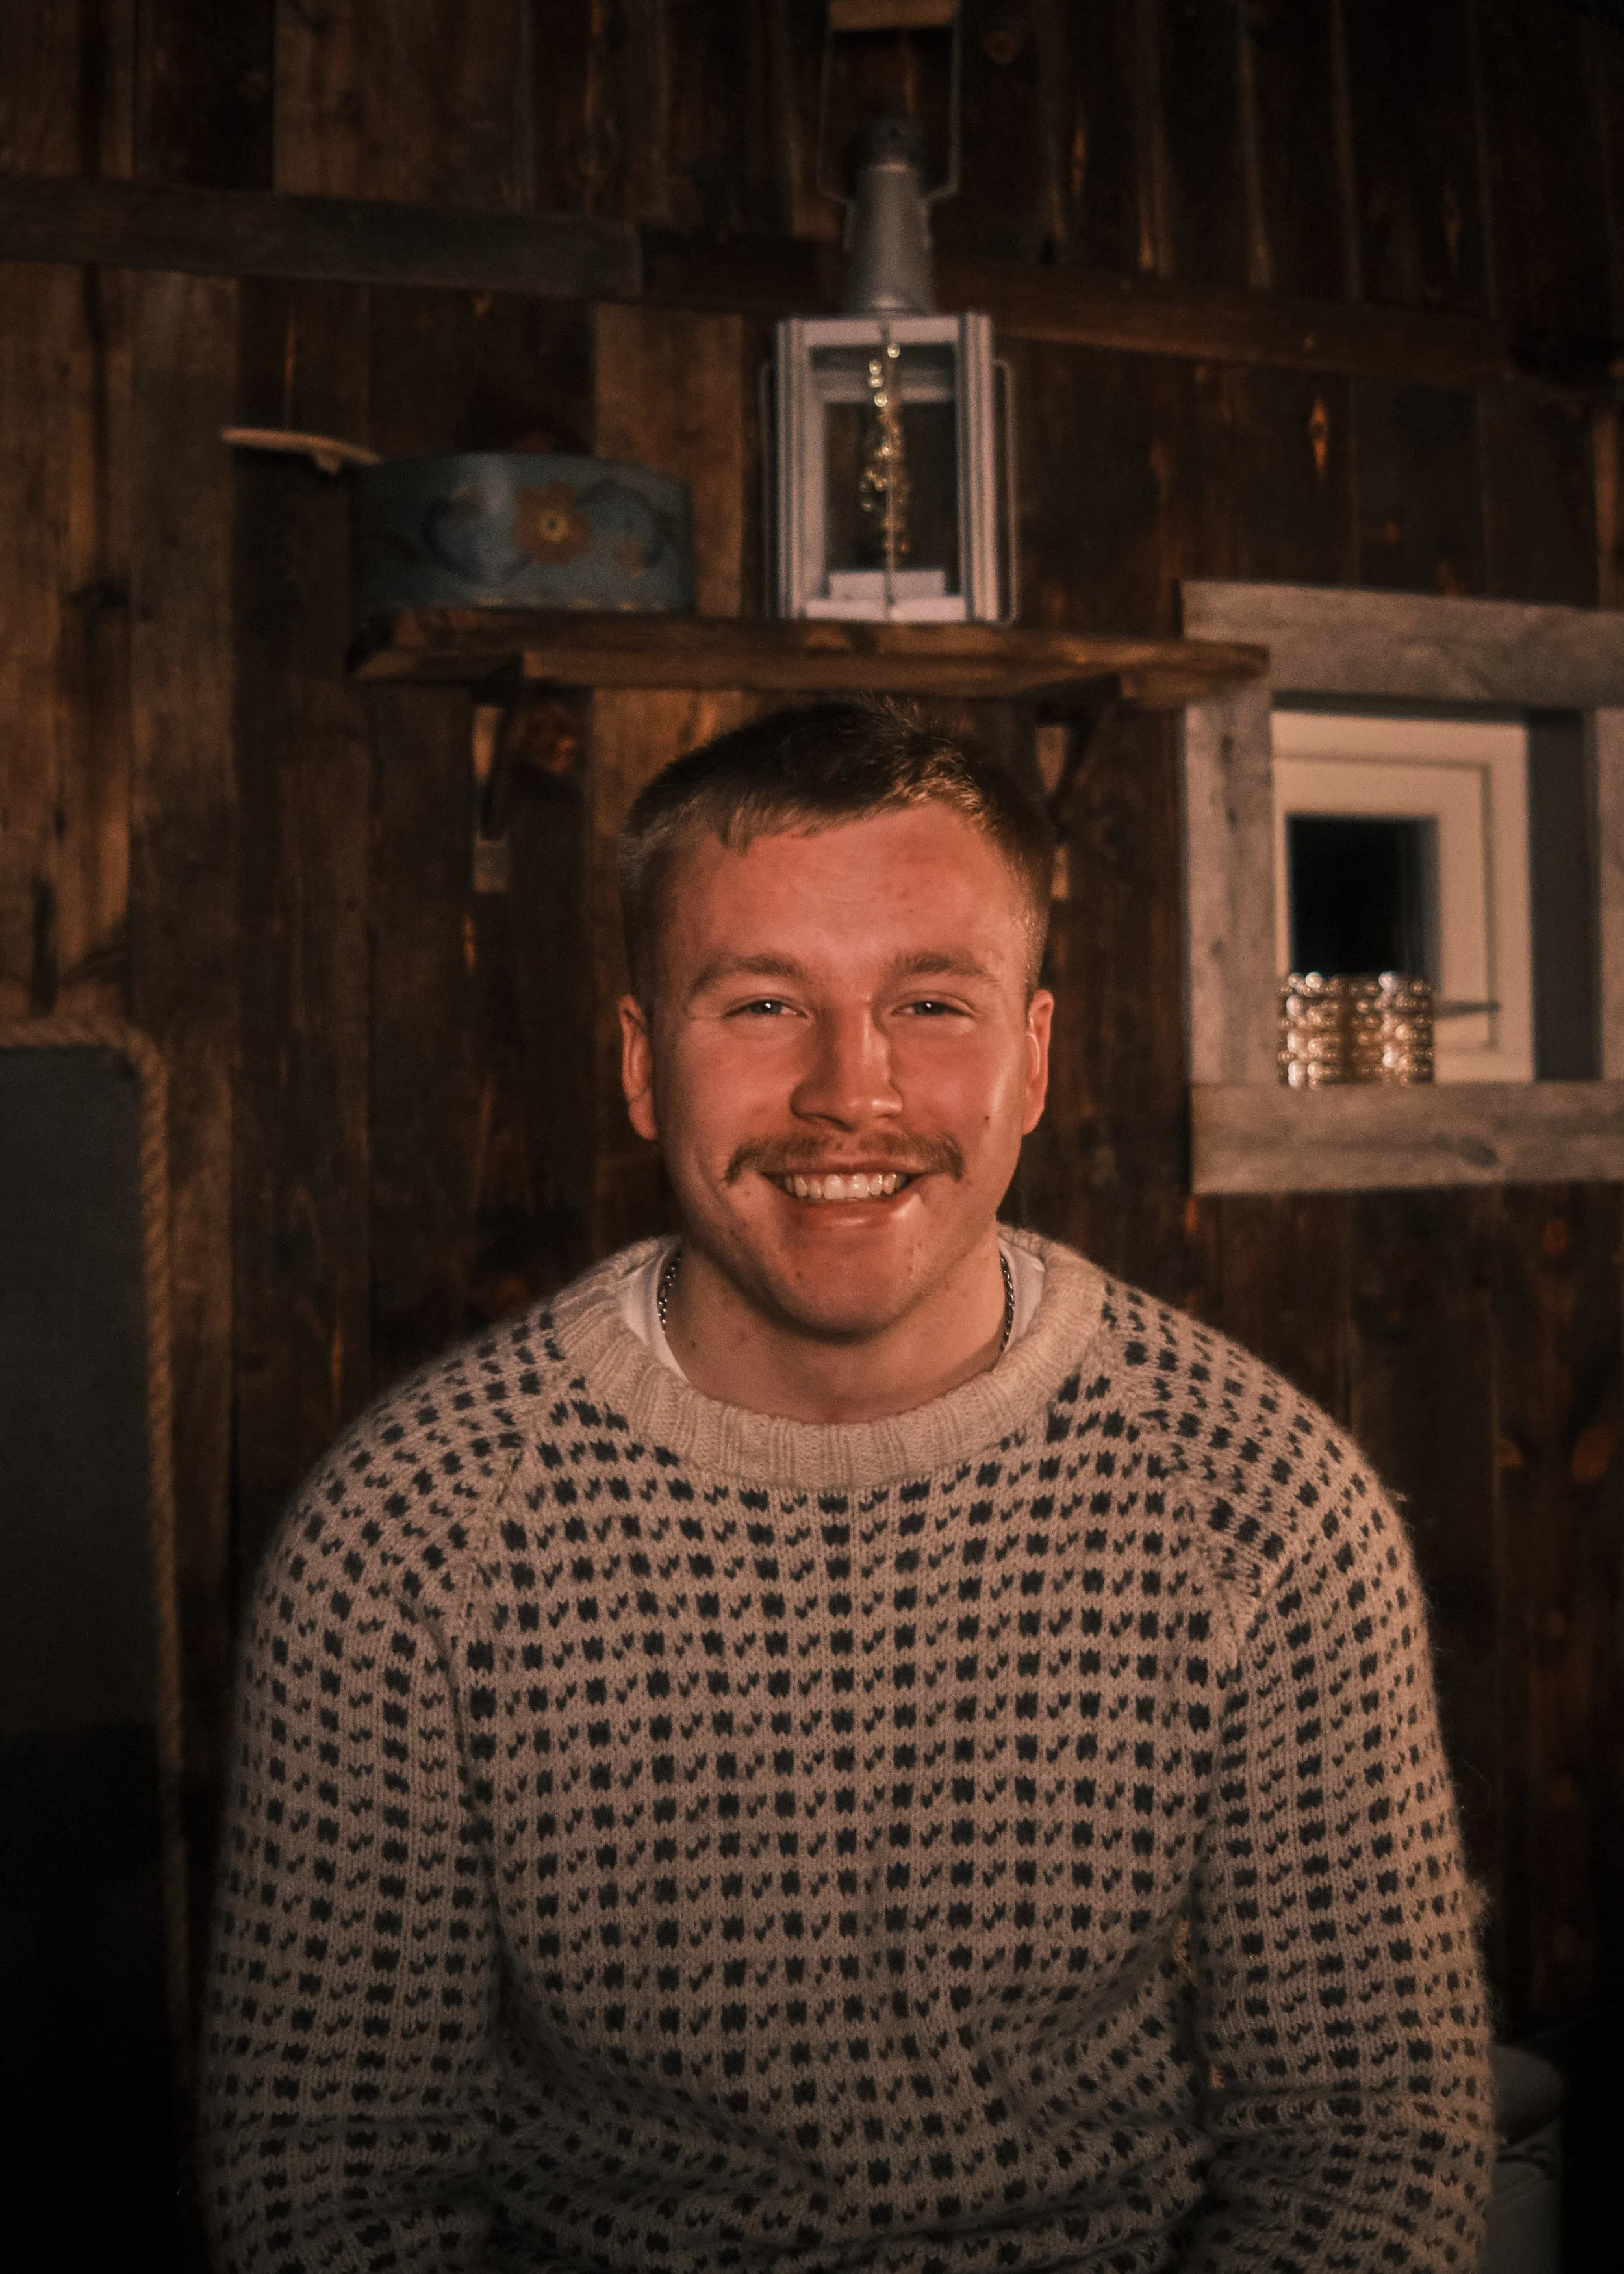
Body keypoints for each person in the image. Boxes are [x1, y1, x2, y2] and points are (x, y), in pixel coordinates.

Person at [201, 700, 1493, 2272]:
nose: (847, 1092)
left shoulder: (1260, 1508)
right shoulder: (411, 1531)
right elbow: (322, 2180)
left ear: (1029, 1060)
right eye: (759, 1003)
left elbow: (1372, 2141)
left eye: (930, 1003)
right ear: (637, 1064)